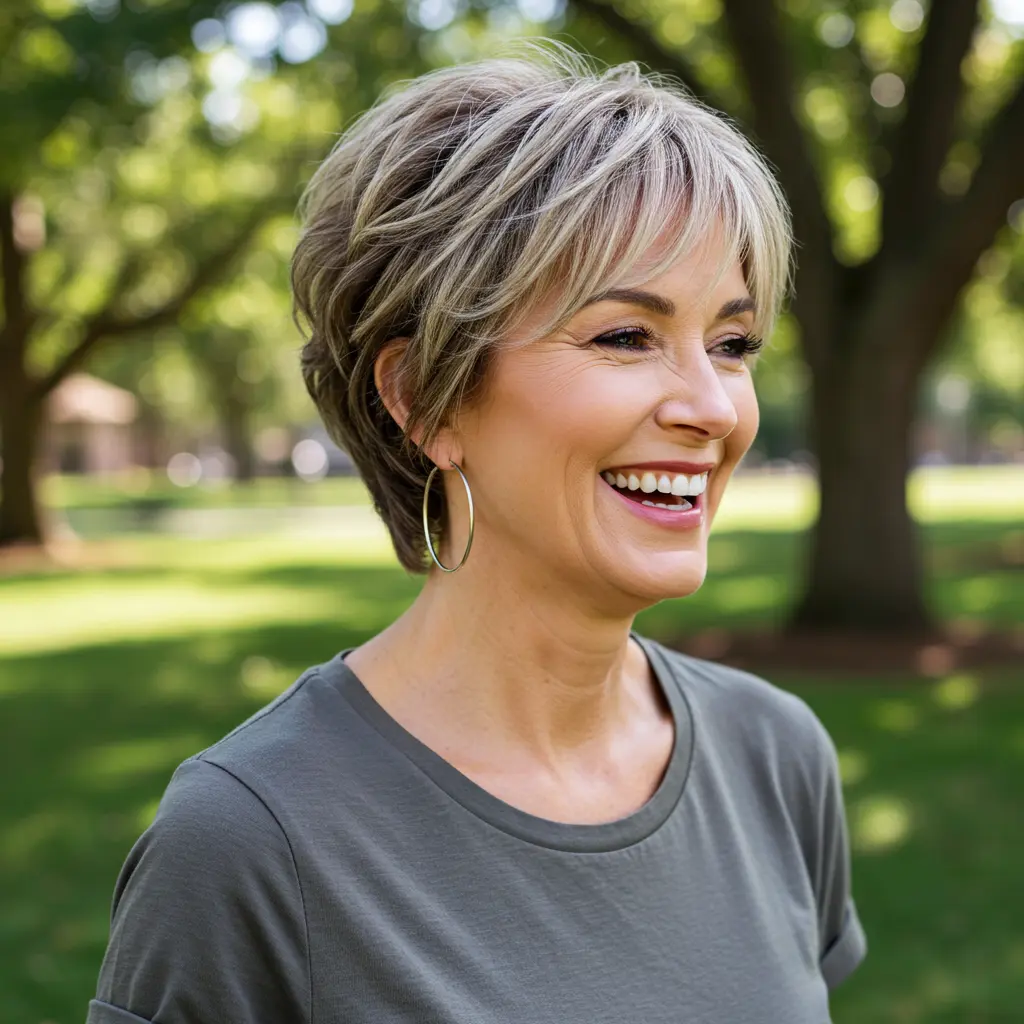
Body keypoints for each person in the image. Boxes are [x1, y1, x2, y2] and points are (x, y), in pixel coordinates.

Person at [87, 41, 866, 1024]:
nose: (712, 406)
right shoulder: (250, 844)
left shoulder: (777, 757)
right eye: (625, 335)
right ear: (424, 397)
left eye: (731, 343)